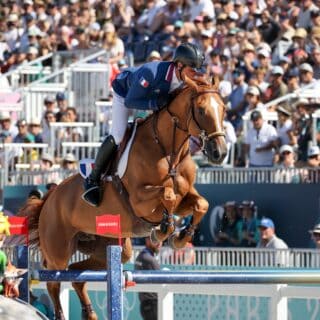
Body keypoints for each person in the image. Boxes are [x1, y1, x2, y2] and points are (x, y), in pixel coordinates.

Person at [82, 42, 205, 206]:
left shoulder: (184, 77)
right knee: (118, 135)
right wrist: (156, 104)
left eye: (197, 69)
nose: (195, 74)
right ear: (179, 65)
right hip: (125, 93)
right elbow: (131, 101)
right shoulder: (151, 72)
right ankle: (93, 179)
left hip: (149, 97)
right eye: (192, 69)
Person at [135, 237, 162, 320]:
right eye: (156, 240)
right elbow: (161, 282)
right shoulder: (150, 260)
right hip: (153, 305)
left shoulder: (140, 256)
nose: (159, 243)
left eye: (160, 240)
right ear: (147, 240)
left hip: (145, 305)